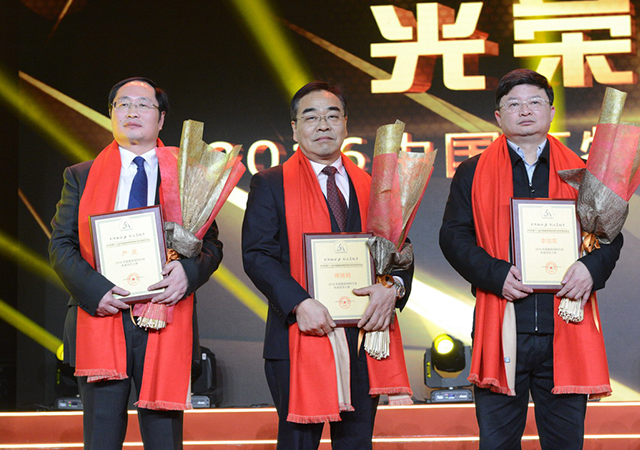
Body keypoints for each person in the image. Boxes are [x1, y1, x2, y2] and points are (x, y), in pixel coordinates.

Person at [440, 69, 623, 450]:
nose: (525, 111)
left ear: (551, 112)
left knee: (565, 443)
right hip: (503, 323)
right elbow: (453, 236)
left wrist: (590, 268)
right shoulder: (472, 171)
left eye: (535, 102)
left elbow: (609, 234)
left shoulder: (583, 172)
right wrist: (495, 274)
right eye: (514, 104)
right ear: (498, 116)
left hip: (565, 324)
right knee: (497, 443)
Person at [49, 77, 222, 450]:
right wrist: (96, 291)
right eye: (123, 104)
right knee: (101, 437)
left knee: (163, 439)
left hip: (166, 316)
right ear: (111, 114)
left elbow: (211, 245)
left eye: (143, 104)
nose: (132, 111)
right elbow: (61, 245)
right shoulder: (80, 175)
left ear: (161, 119)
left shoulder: (185, 176)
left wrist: (187, 274)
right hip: (101, 315)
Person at [242, 81, 413, 450]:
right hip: (300, 333)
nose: (323, 125)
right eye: (311, 117)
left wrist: (393, 288)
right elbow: (257, 254)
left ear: (346, 124)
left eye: (332, 116)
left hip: (363, 336)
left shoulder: (375, 186)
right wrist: (300, 303)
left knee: (356, 442)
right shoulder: (270, 184)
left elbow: (400, 252)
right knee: (298, 442)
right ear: (294, 129)